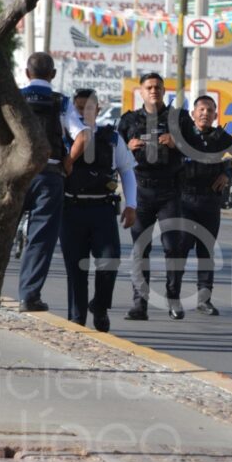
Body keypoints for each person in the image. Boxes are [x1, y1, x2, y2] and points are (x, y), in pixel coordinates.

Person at [0, 52, 88, 313]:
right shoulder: (61, 102)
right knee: (41, 237)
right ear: (54, 75)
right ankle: (29, 295)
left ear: (26, 73)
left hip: (14, 174)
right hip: (49, 176)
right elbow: (82, 136)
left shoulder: (12, 98)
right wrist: (68, 162)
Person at [117, 73, 202, 321]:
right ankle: (139, 304)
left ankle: (173, 298)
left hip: (170, 191)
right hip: (140, 190)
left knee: (173, 247)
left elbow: (198, 149)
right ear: (141, 91)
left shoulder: (180, 119)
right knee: (140, 248)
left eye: (158, 87)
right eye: (149, 87)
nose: (153, 90)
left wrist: (177, 144)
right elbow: (111, 152)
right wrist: (127, 147)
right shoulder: (129, 120)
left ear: (164, 91)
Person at [59, 89, 137, 332]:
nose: (84, 113)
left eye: (89, 108)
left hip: (102, 209)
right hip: (70, 209)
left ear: (98, 110)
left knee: (109, 261)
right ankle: (76, 320)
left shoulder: (111, 137)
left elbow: (126, 170)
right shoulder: (61, 136)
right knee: (75, 268)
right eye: (79, 108)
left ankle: (100, 306)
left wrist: (132, 205)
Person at [180, 95, 232, 316]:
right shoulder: (182, 137)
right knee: (180, 249)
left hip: (209, 200)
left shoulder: (221, 138)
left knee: (206, 251)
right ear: (193, 113)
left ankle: (204, 299)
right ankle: (173, 295)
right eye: (201, 109)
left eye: (210, 110)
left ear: (215, 115)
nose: (205, 113)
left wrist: (227, 174)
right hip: (184, 199)